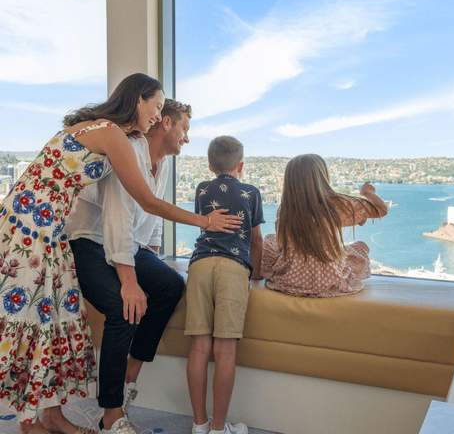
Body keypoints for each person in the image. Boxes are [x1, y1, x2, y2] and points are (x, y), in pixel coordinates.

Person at [0, 73, 241, 434]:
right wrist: (205, 220)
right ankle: (37, 419)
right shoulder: (112, 134)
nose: (158, 116)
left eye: (162, 109)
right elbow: (143, 202)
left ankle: (50, 415)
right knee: (34, 317)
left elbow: (141, 214)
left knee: (56, 316)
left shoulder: (107, 132)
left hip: (51, 224)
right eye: (156, 107)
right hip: (32, 223)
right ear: (137, 99)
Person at [66, 99, 192, 434]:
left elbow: (149, 223)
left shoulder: (161, 162)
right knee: (123, 309)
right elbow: (116, 220)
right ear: (165, 122)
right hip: (90, 240)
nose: (187, 138)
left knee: (170, 286)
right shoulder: (129, 150)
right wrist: (129, 280)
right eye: (185, 128)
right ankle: (110, 413)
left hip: (127, 245)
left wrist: (148, 259)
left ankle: (129, 375)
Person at [185, 136, 264, 434]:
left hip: (200, 265)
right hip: (233, 269)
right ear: (241, 165)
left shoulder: (201, 189)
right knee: (226, 350)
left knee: (199, 347)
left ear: (209, 164)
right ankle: (219, 428)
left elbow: (204, 224)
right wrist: (255, 274)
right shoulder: (252, 192)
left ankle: (199, 424)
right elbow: (256, 241)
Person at [258, 154, 388, 298]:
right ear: (322, 176)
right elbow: (381, 209)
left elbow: (283, 244)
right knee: (360, 247)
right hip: (330, 280)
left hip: (291, 279)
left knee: (270, 240)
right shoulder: (337, 204)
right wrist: (367, 193)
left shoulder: (285, 209)